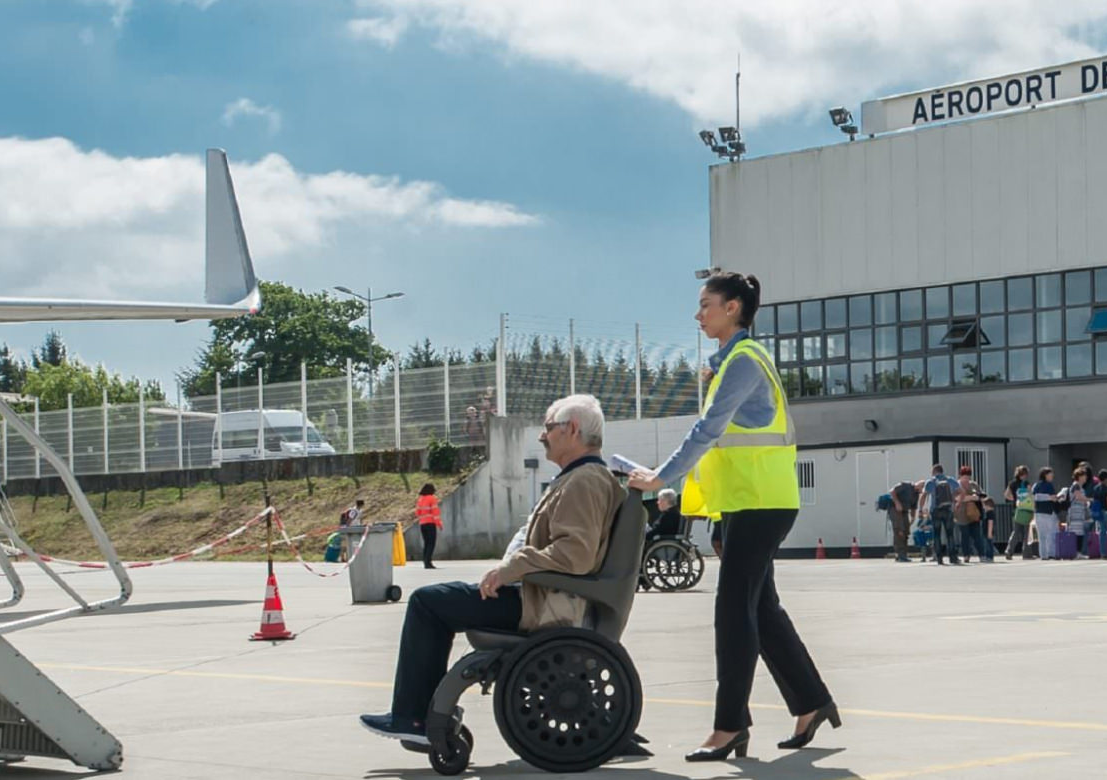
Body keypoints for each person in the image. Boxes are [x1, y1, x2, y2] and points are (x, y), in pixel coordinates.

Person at [625, 271, 839, 759]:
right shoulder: (734, 362)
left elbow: (707, 431)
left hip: (760, 504)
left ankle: (730, 727)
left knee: (733, 612)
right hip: (754, 502)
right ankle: (811, 701)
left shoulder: (743, 362)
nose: (698, 314)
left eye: (706, 305)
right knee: (761, 608)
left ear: (734, 309)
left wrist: (662, 477)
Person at [359, 395, 624, 747]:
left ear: (572, 429)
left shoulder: (584, 481)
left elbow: (575, 554)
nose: (542, 437)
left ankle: (414, 717)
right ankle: (416, 715)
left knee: (427, 602)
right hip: (542, 594)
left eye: (548, 428)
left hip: (544, 603)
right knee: (439, 600)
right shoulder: (580, 477)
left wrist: (511, 568)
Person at [923, 465, 961, 565]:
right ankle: (953, 557)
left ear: (934, 471)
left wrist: (922, 509)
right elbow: (959, 491)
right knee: (950, 534)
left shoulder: (930, 482)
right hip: (948, 509)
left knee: (936, 534)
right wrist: (954, 500)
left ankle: (939, 558)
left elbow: (924, 495)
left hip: (935, 510)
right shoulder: (950, 480)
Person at [1031, 467, 1062, 560]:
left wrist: (1054, 497)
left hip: (1039, 512)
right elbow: (1036, 496)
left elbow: (1033, 496)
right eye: (1050, 474)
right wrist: (1051, 497)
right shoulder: (1048, 485)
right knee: (1051, 533)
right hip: (1048, 512)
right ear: (1045, 475)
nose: (1052, 476)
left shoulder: (1036, 485)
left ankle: (1044, 555)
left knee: (1042, 535)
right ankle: (1051, 553)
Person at [1005, 466, 1034, 560]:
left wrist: (1014, 499)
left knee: (1016, 532)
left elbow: (1006, 495)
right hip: (1027, 510)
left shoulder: (1012, 483)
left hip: (1017, 510)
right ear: (1024, 474)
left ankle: (1009, 551)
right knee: (1027, 533)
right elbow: (1031, 495)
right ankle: (1026, 553)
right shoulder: (1026, 483)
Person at [888, 478, 919, 563]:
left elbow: (913, 507)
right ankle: (899, 554)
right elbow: (892, 491)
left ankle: (903, 554)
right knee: (899, 531)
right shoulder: (905, 485)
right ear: (918, 484)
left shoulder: (916, 494)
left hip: (904, 511)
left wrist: (912, 519)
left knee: (906, 532)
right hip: (895, 509)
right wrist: (897, 503)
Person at [1090, 469, 1107, 560]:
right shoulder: (1106, 488)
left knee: (1102, 533)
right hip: (1106, 511)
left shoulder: (1096, 488)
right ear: (1105, 478)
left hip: (1098, 512)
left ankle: (1103, 552)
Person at [415, 484, 443, 569]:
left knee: (426, 543)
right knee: (431, 543)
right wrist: (439, 524)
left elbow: (417, 512)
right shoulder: (432, 498)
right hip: (430, 523)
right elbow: (435, 512)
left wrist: (422, 519)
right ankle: (428, 562)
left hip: (422, 524)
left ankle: (425, 561)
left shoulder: (421, 499)